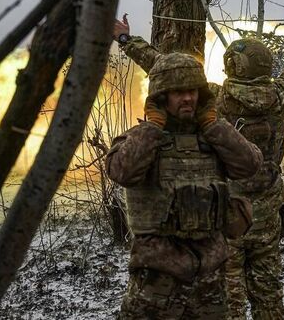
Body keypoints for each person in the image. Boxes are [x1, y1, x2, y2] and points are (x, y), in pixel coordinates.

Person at [114, 14, 284, 320]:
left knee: (230, 300)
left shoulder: (216, 98)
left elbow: (164, 68)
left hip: (228, 215)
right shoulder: (282, 96)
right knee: (269, 296)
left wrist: (127, 40)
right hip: (268, 217)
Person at [106, 50, 263, 319]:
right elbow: (122, 170)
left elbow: (249, 165)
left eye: (192, 90)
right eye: (178, 91)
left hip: (210, 278)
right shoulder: (143, 138)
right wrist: (153, 128)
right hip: (157, 279)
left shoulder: (214, 137)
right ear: (161, 96)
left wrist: (214, 126)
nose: (188, 97)